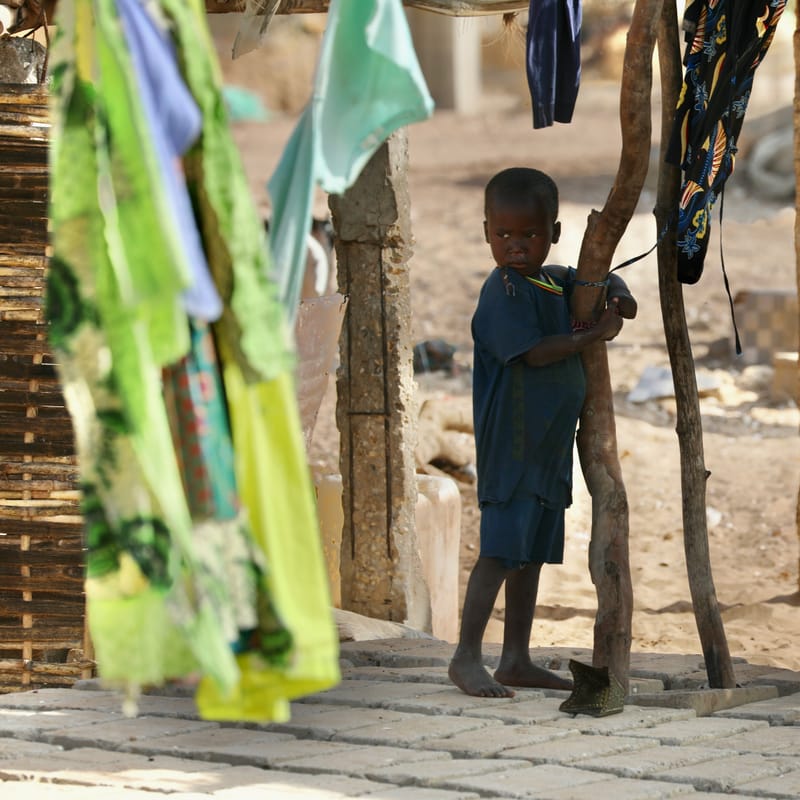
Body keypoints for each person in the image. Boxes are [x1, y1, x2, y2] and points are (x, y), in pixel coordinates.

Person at [449, 166, 637, 698]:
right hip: (512, 444)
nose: (515, 246)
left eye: (528, 235)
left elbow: (591, 278)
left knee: (531, 551)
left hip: (549, 445)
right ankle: (466, 657)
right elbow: (533, 352)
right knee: (501, 549)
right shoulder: (503, 290)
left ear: (552, 233)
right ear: (487, 232)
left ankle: (515, 657)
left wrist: (616, 293)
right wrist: (593, 335)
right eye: (503, 235)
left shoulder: (553, 280)